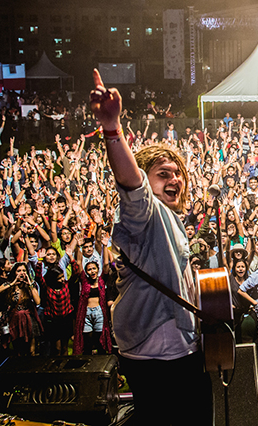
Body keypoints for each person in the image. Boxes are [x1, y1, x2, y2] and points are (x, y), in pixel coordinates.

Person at [89, 69, 211, 424]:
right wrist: (112, 128)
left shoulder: (173, 219)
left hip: (176, 347)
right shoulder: (145, 213)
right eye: (163, 174)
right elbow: (132, 184)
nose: (174, 179)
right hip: (159, 355)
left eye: (178, 173)